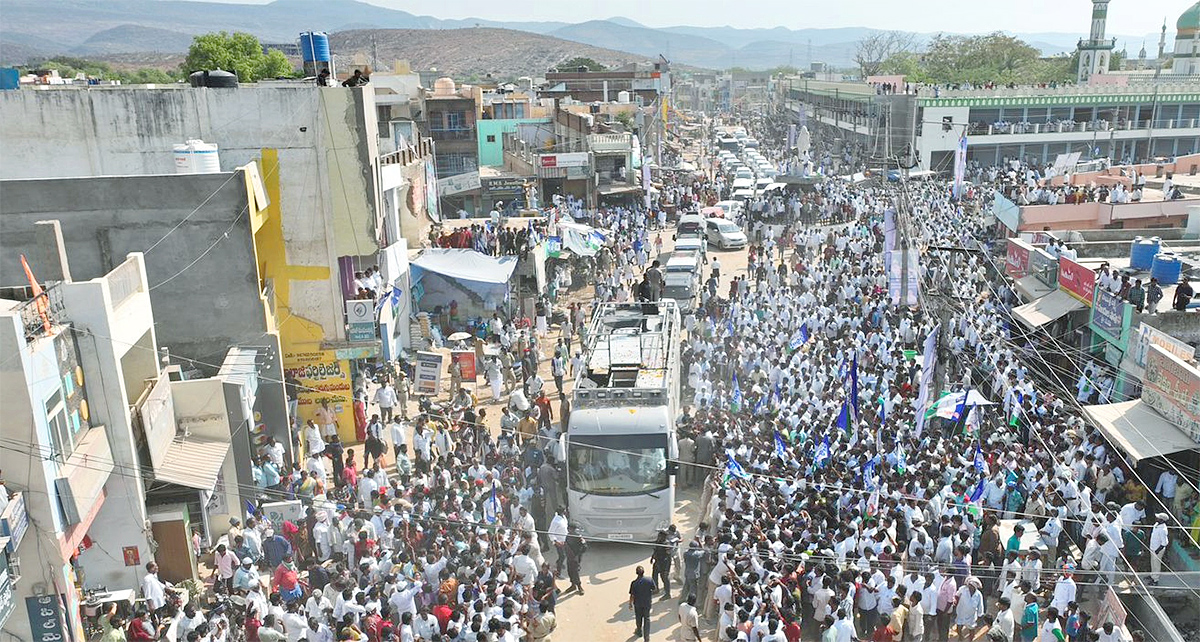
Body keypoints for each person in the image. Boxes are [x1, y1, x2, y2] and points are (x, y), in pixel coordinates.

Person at [628, 565, 656, 642]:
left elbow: (632, 595)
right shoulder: (649, 580)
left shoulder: (634, 583)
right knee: (647, 619)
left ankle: (639, 631)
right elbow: (654, 589)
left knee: (638, 618)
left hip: (638, 604)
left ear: (636, 573)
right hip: (647, 603)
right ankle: (647, 638)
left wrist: (630, 604)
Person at [565, 523, 587, 594]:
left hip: (575, 557)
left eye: (570, 529)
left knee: (575, 572)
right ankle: (573, 585)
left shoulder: (578, 537)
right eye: (568, 529)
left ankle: (579, 586)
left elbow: (584, 548)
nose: (569, 530)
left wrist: (583, 543)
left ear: (573, 529)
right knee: (570, 571)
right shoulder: (568, 536)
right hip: (569, 557)